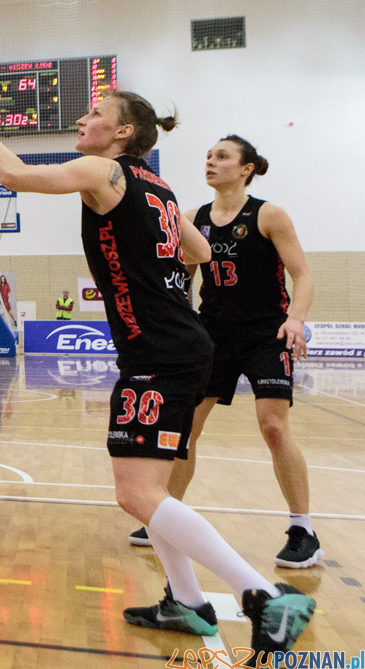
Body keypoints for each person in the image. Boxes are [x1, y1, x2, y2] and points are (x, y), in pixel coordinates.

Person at [0, 88, 316, 666]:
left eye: (96, 113)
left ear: (123, 133)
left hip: (159, 350)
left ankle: (266, 597)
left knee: (135, 493)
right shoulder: (159, 187)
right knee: (150, 492)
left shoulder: (100, 171)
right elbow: (201, 251)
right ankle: (187, 602)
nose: (83, 119)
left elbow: (13, 175)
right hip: (180, 344)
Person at [127, 135, 322, 570]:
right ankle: (167, 519)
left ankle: (303, 530)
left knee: (274, 427)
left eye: (222, 157)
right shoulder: (192, 218)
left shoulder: (269, 215)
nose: (211, 162)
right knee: (185, 430)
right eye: (209, 157)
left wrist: (296, 318)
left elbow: (303, 275)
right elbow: (181, 279)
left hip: (266, 334)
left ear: (246, 168)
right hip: (212, 335)